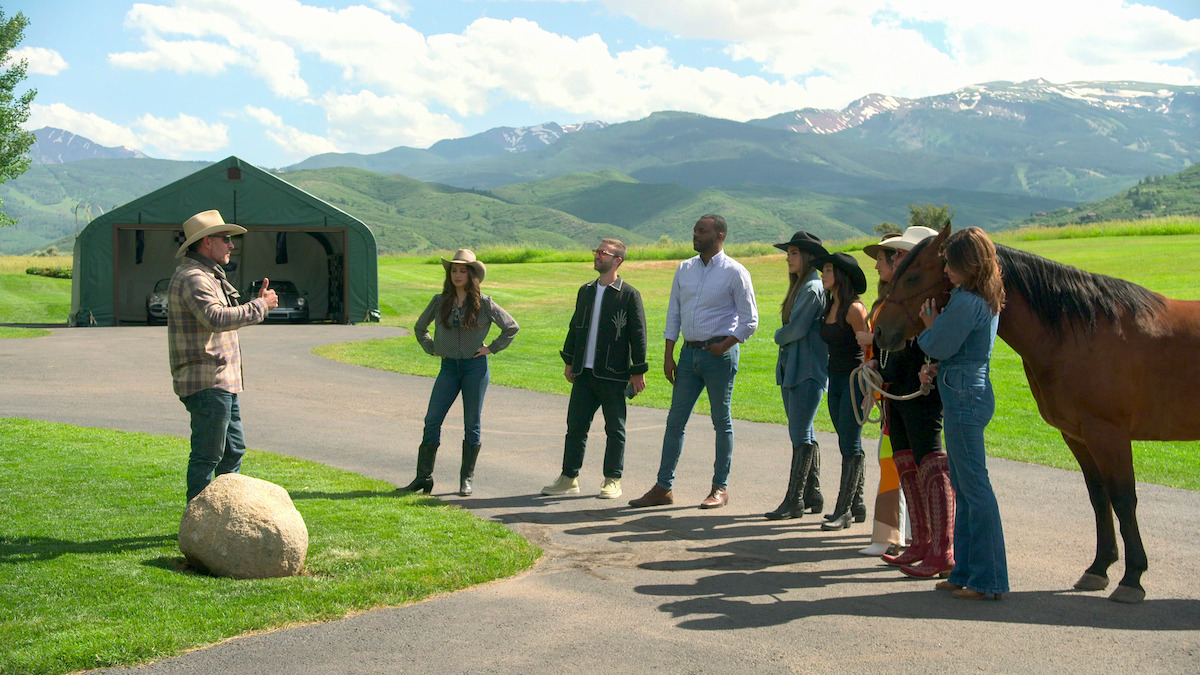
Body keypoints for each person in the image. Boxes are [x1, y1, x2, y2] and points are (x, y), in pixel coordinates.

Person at [629, 214, 758, 510]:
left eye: (702, 231)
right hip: (688, 355)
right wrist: (668, 354)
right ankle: (663, 487)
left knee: (721, 421)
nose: (696, 235)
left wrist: (724, 345)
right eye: (695, 230)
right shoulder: (684, 268)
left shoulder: (735, 272)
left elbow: (750, 320)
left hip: (719, 356)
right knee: (675, 421)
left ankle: (720, 488)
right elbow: (674, 312)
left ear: (720, 235)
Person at [917, 226, 1008, 601]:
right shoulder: (983, 297)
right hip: (969, 389)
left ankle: (987, 579)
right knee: (966, 487)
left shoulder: (967, 302)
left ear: (969, 265)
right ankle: (966, 571)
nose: (947, 272)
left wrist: (928, 327)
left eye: (952, 265)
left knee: (974, 488)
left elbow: (938, 342)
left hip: (963, 396)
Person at [168, 209, 278, 502]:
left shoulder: (208, 275)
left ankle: (225, 517)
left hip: (221, 382)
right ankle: (198, 526)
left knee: (233, 451)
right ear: (206, 242)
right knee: (208, 456)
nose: (231, 245)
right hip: (207, 382)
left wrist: (256, 304)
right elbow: (215, 318)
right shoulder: (194, 277)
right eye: (226, 239)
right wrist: (260, 306)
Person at [401, 249, 519, 497]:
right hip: (448, 369)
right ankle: (424, 477)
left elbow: (511, 327)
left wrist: (491, 348)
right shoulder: (438, 301)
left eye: (462, 270)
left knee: (471, 424)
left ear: (471, 274)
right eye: (453, 270)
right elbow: (420, 327)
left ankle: (466, 480)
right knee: (432, 420)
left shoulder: (485, 303)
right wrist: (433, 348)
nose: (457, 275)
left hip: (474, 368)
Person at [542, 239, 649, 499]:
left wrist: (638, 370)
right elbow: (574, 327)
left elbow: (638, 334)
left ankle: (613, 479)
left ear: (618, 260)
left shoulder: (629, 294)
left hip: (613, 374)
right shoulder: (586, 291)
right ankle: (569, 477)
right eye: (597, 251)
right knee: (575, 427)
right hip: (584, 373)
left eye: (604, 253)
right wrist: (569, 360)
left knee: (615, 428)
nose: (597, 256)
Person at [764, 231, 828, 520]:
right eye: (787, 253)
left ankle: (795, 500)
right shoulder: (801, 287)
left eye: (793, 253)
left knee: (800, 433)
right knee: (805, 431)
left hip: (807, 370)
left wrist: (778, 335)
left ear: (808, 256)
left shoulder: (813, 289)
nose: (788, 258)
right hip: (793, 368)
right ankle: (813, 494)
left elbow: (795, 330)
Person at [813, 252, 870, 531]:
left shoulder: (854, 309)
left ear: (841, 276)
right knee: (845, 439)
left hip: (854, 380)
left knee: (850, 442)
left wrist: (871, 391)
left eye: (827, 270)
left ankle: (844, 510)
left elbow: (869, 350)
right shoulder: (829, 304)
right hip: (833, 379)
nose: (822, 275)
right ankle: (857, 502)